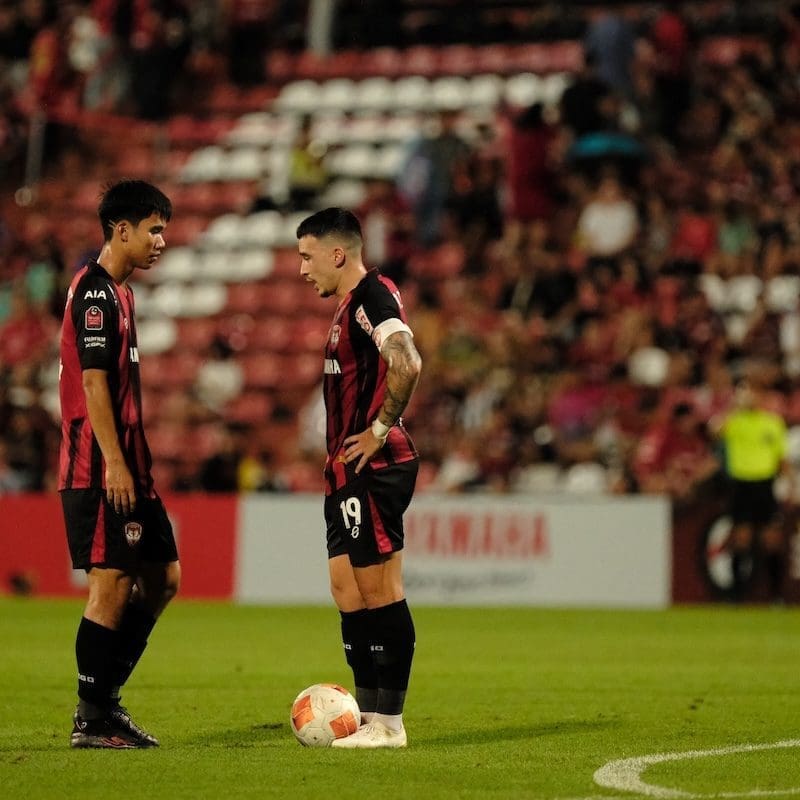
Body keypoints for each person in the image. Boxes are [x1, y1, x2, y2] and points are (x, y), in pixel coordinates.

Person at [58, 179, 180, 748]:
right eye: (154, 230)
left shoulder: (123, 295)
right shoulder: (96, 293)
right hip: (98, 461)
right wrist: (113, 462)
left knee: (162, 577)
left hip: (130, 462)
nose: (161, 240)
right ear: (122, 230)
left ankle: (103, 700)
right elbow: (92, 381)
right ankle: (93, 715)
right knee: (111, 584)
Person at [296, 208, 422, 748]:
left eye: (307, 256)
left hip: (375, 465)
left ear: (337, 253)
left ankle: (390, 724)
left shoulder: (372, 297)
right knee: (347, 590)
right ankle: (367, 716)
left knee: (379, 590)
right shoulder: (350, 306)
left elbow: (407, 361)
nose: (302, 269)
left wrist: (377, 429)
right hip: (343, 471)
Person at [713, 378, 794, 602]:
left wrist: (791, 486)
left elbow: (782, 459)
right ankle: (737, 594)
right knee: (741, 539)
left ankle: (776, 595)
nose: (750, 397)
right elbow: (714, 431)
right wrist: (733, 407)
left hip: (765, 485)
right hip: (741, 484)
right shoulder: (734, 421)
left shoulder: (772, 423)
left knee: (771, 540)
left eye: (753, 392)